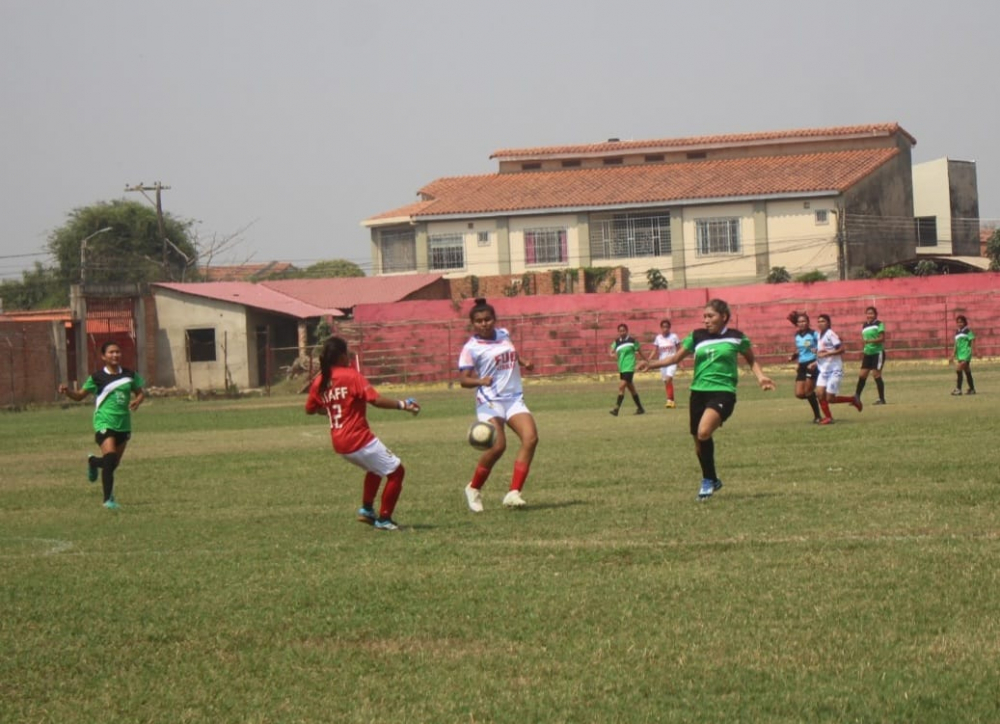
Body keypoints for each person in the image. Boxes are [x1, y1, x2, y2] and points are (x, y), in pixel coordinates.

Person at [640, 299, 775, 500]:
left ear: (724, 317)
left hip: (723, 392)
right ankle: (711, 479)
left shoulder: (736, 338)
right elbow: (675, 358)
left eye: (710, 316)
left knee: (704, 432)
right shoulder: (697, 336)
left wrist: (761, 376)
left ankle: (707, 481)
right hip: (698, 393)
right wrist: (651, 364)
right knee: (698, 441)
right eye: (704, 317)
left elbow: (751, 359)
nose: (706, 321)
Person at [305, 336, 420, 531]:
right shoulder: (351, 375)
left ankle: (367, 510)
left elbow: (310, 409)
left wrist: (330, 408)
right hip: (358, 439)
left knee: (376, 469)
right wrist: (403, 405)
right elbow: (375, 400)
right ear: (342, 356)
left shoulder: (320, 380)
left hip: (340, 444)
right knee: (397, 471)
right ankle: (384, 519)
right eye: (347, 352)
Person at [459, 298, 538, 512]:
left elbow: (511, 353)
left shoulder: (503, 334)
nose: (484, 323)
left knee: (531, 438)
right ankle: (474, 488)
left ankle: (513, 493)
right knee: (499, 446)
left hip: (513, 398)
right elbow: (463, 380)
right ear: (473, 323)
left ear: (494, 320)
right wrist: (480, 381)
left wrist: (523, 363)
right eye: (479, 321)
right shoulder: (471, 348)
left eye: (487, 319)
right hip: (489, 400)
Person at [57, 341, 145, 510]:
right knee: (110, 458)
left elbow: (140, 392)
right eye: (111, 352)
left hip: (123, 424)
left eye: (118, 352)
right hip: (104, 422)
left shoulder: (129, 374)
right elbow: (79, 396)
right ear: (103, 356)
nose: (115, 355)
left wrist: (137, 401)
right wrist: (68, 392)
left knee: (112, 464)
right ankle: (108, 500)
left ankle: (92, 462)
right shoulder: (97, 377)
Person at [813, 314, 864, 424]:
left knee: (830, 398)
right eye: (819, 321)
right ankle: (828, 417)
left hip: (834, 370)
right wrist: (816, 357)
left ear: (828, 323)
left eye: (823, 321)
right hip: (823, 371)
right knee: (819, 394)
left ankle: (853, 399)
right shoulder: (818, 335)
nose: (820, 323)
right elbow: (823, 352)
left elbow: (842, 349)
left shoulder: (830, 334)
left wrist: (828, 353)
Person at [787, 312, 822, 423]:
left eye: (804, 321)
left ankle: (817, 416)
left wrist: (817, 355)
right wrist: (793, 356)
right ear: (797, 324)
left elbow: (821, 347)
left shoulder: (814, 334)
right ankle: (819, 396)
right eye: (800, 322)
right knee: (799, 394)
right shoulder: (797, 335)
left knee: (808, 391)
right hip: (802, 365)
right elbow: (800, 350)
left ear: (808, 322)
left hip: (811, 364)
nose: (802, 323)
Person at [609, 323, 649, 416]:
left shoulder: (632, 341)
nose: (622, 332)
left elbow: (639, 351)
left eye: (623, 330)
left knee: (621, 387)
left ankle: (616, 409)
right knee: (631, 389)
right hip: (622, 368)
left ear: (627, 331)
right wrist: (612, 354)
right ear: (618, 332)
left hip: (630, 367)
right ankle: (640, 408)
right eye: (620, 331)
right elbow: (611, 351)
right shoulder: (617, 342)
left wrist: (646, 360)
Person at [854, 305, 887, 405]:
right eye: (868, 313)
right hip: (868, 353)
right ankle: (856, 398)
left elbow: (882, 338)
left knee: (876, 374)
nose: (869, 315)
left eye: (871, 313)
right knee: (862, 375)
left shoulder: (879, 324)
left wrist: (870, 341)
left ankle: (881, 398)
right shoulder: (864, 325)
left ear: (875, 315)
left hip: (877, 352)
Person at [653, 319, 681, 408]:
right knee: (666, 381)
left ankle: (669, 400)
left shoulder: (674, 337)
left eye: (667, 327)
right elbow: (654, 350)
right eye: (663, 327)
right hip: (662, 362)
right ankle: (671, 401)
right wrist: (648, 360)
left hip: (672, 361)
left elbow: (679, 349)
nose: (665, 329)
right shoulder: (658, 338)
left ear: (669, 328)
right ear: (661, 328)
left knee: (669, 379)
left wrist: (680, 360)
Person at [952, 315, 976, 395]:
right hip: (960, 355)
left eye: (961, 322)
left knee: (958, 369)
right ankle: (972, 389)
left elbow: (972, 340)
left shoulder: (967, 331)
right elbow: (956, 344)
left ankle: (958, 389)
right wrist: (953, 354)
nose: (959, 324)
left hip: (966, 354)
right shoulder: (957, 332)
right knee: (967, 371)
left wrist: (975, 351)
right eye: (958, 322)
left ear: (965, 323)